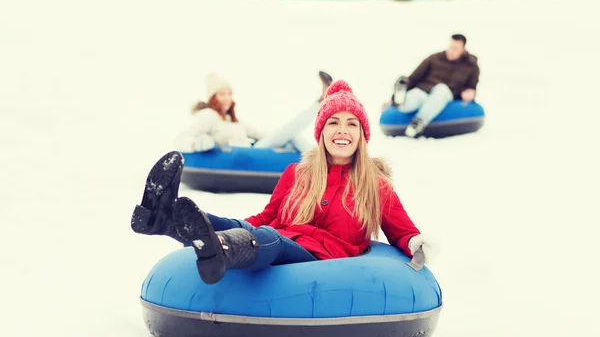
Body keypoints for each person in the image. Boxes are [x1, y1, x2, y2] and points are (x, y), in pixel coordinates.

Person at [132, 80, 438, 285]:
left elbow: (402, 230)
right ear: (321, 132)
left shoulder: (375, 185)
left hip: (324, 258)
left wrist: (416, 243)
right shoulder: (297, 173)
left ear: (362, 135)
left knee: (270, 238)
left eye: (351, 124)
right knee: (257, 229)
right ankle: (163, 218)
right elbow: (267, 218)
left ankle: (221, 250)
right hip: (280, 236)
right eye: (333, 122)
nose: (341, 131)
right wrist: (228, 224)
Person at [173, 71, 333, 153]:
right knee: (288, 131)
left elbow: (257, 133)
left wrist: (277, 137)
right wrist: (196, 144)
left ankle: (319, 157)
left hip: (252, 151)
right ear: (213, 97)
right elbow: (182, 138)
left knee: (291, 136)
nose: (227, 98)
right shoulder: (208, 116)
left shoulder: (231, 119)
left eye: (229, 94)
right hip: (243, 155)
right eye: (222, 94)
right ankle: (320, 103)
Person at [387, 34, 480, 138]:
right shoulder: (434, 58)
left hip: (447, 94)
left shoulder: (471, 66)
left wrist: (471, 92)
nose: (451, 51)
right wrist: (394, 97)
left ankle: (418, 122)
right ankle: (399, 101)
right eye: (450, 47)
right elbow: (414, 78)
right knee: (415, 97)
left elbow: (472, 86)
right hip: (424, 89)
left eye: (455, 48)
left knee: (441, 90)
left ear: (463, 49)